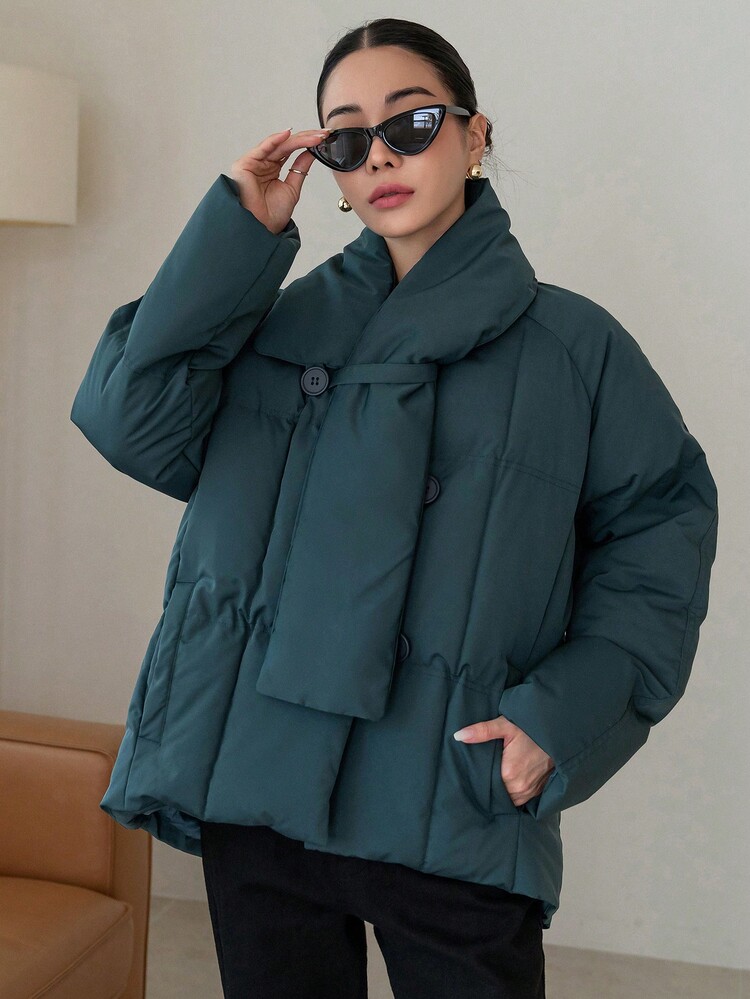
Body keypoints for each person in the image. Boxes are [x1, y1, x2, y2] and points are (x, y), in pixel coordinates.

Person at [70, 16, 719, 999]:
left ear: (474, 133)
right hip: (257, 779)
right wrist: (237, 233)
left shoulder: (574, 349)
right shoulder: (273, 326)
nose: (379, 155)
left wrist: (565, 716)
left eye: (411, 122)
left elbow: (662, 531)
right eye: (346, 136)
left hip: (448, 795)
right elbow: (129, 420)